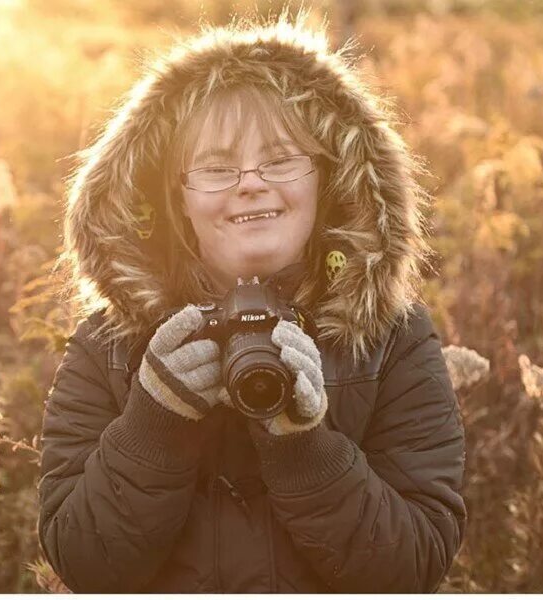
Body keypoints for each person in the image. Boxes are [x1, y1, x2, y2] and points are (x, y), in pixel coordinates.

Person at [37, 12, 466, 593]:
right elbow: (83, 562)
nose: (250, 183)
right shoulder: (111, 346)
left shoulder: (389, 339)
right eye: (216, 168)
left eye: (281, 159)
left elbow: (415, 564)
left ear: (327, 178)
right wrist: (155, 421)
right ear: (176, 197)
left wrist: (304, 448)